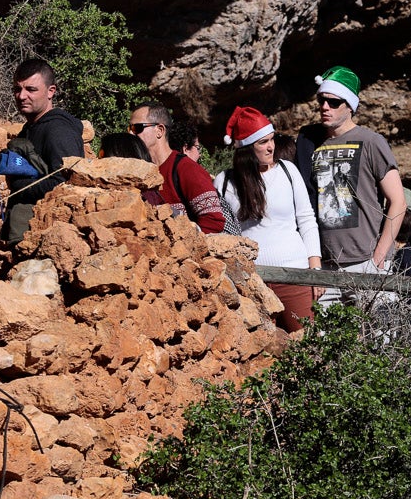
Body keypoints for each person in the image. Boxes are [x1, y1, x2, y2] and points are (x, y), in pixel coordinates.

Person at [294, 66, 406, 306]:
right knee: (325, 340)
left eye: (334, 102)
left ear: (350, 106)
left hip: (365, 260)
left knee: (377, 339)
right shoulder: (309, 142)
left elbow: (398, 201)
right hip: (325, 265)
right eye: (322, 100)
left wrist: (379, 256)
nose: (325, 107)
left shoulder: (371, 141)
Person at [217, 107, 321, 332]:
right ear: (246, 147)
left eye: (272, 139)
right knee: (263, 355)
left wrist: (315, 269)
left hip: (296, 274)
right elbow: (221, 233)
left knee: (308, 347)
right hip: (252, 280)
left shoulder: (287, 170)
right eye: (263, 142)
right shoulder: (225, 182)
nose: (271, 146)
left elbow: (306, 219)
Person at [3, 59, 84, 243]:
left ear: (51, 91)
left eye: (31, 89)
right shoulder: (30, 128)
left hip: (46, 238)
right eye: (17, 89)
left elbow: (64, 181)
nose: (22, 96)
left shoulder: (58, 130)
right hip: (25, 233)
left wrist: (19, 187)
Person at [130, 102, 225, 233]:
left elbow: (214, 222)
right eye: (129, 128)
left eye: (137, 128)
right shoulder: (138, 171)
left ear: (160, 130)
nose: (131, 133)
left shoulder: (186, 169)